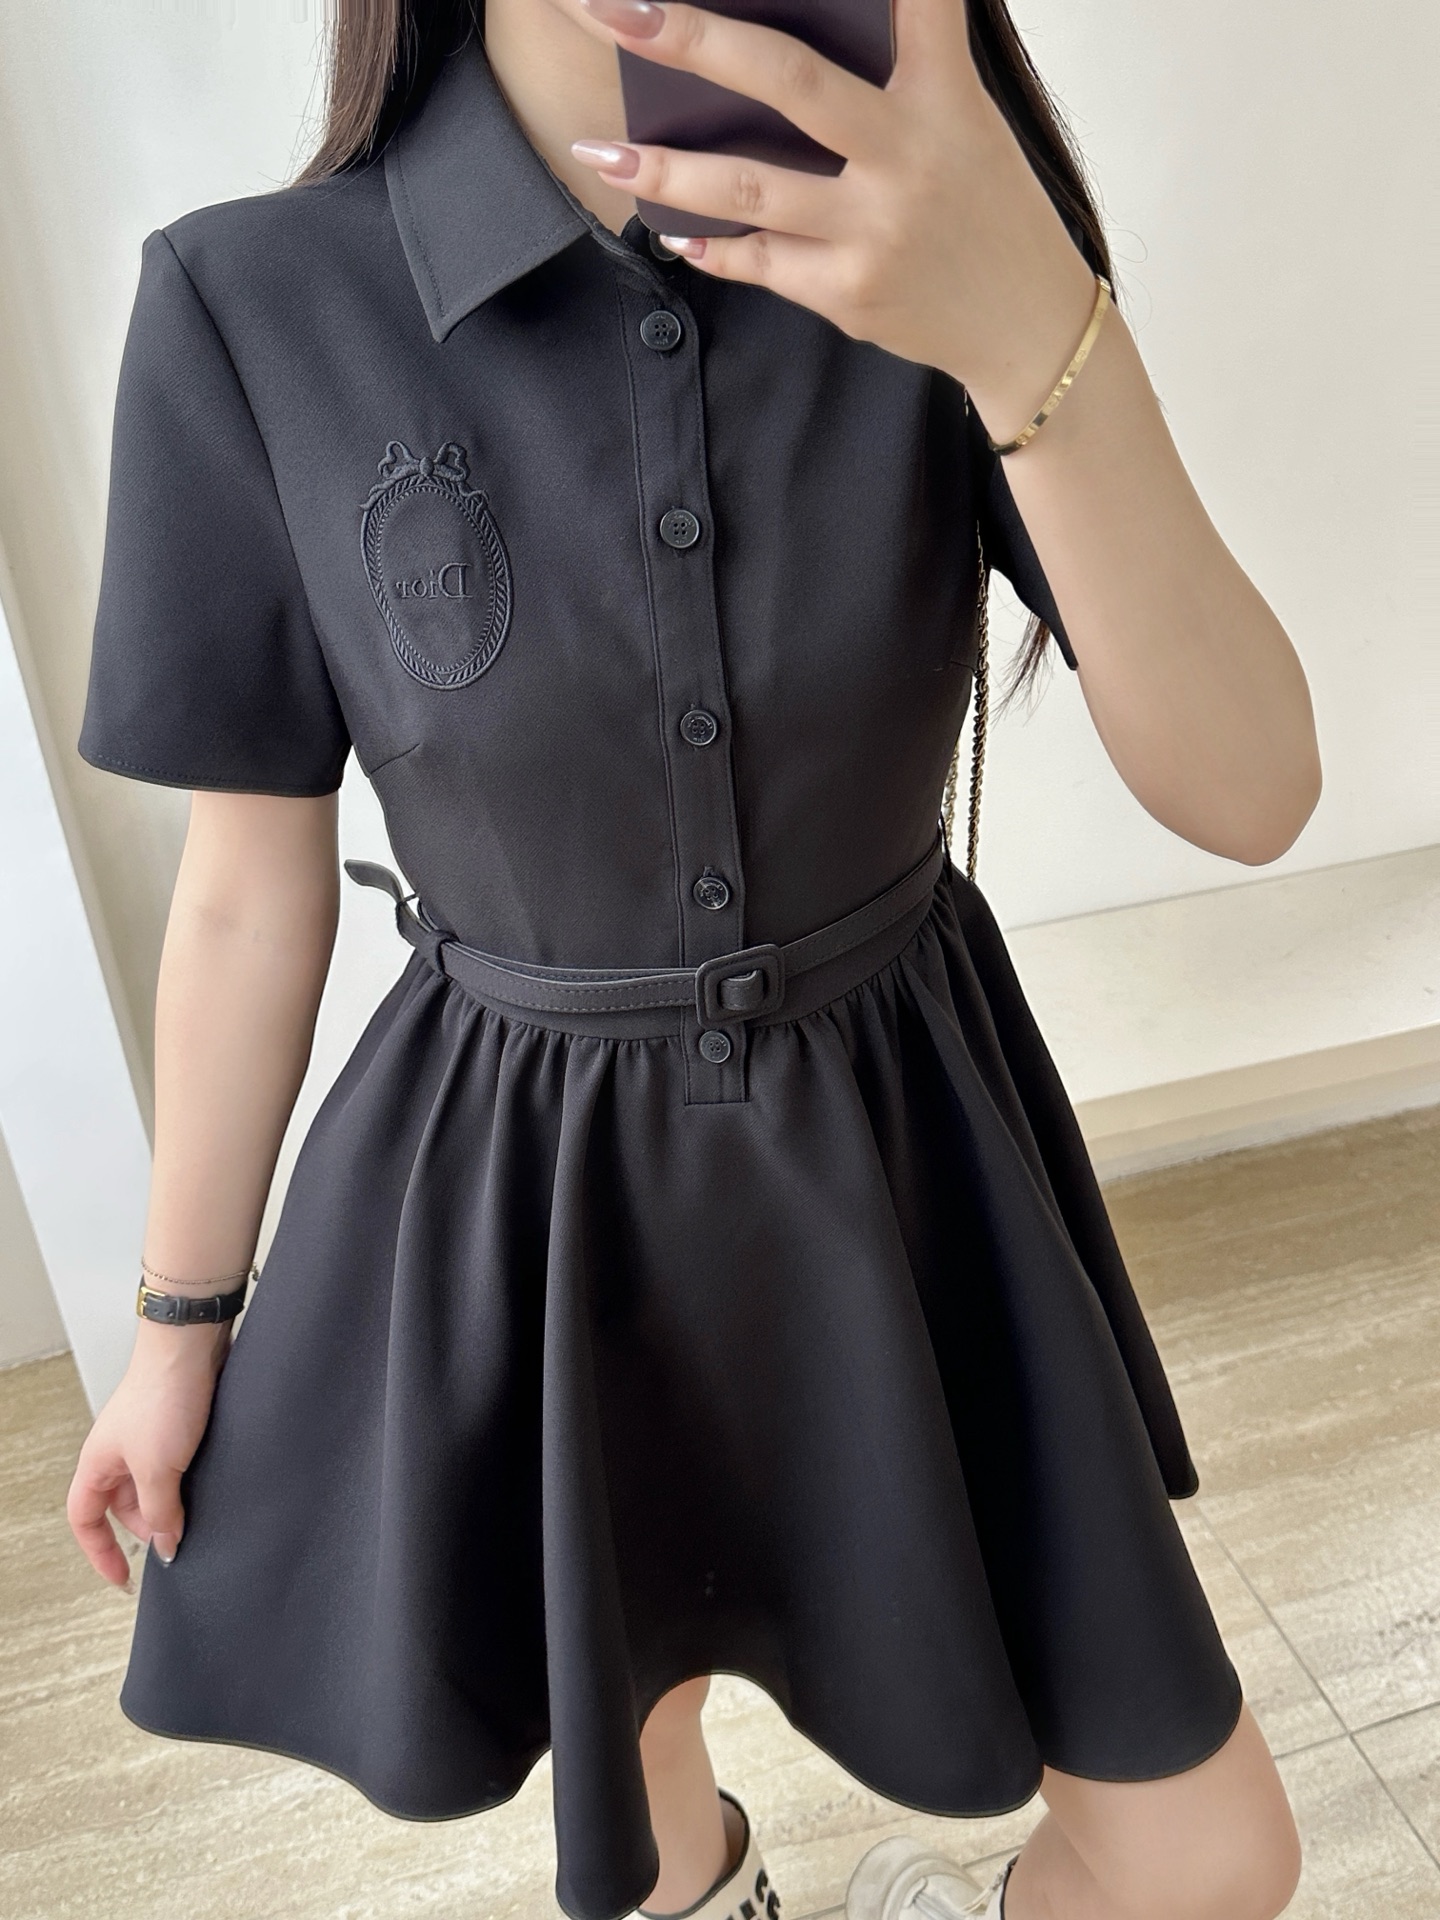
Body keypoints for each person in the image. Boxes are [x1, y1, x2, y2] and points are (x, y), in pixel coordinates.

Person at [65, 0, 1319, 1916]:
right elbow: (247, 891)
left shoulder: (936, 222)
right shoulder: (253, 306)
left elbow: (1250, 789)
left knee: (1209, 1862)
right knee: (636, 1783)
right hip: (533, 1207)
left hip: (906, 1164)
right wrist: (178, 1330)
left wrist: (1029, 330)